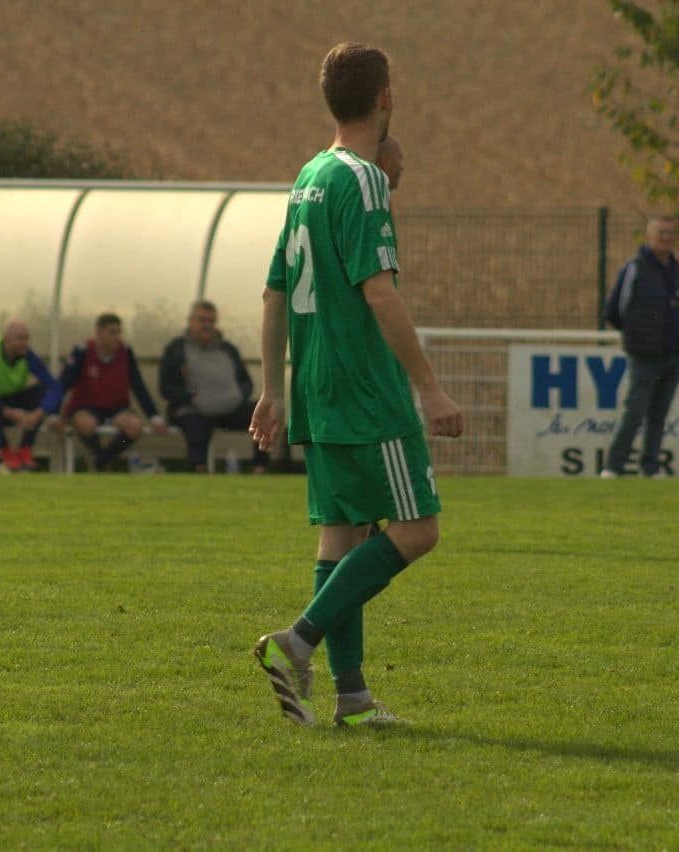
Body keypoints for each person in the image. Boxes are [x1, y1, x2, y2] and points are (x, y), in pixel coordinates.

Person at [250, 42, 463, 728]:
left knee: (340, 535)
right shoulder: (363, 178)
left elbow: (273, 290)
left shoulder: (307, 175)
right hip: (364, 389)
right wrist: (427, 387)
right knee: (417, 529)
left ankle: (352, 699)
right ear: (384, 99)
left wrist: (274, 389)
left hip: (314, 387)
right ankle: (299, 638)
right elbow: (378, 292)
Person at [601, 215, 679, 479]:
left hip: (673, 355)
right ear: (649, 236)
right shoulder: (636, 267)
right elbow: (613, 310)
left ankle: (649, 468)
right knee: (634, 412)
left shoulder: (675, 270)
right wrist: (637, 337)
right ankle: (613, 467)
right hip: (643, 355)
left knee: (659, 417)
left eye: (670, 233)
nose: (667, 238)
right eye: (661, 233)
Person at [159, 300, 269, 473]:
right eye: (202, 320)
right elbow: (166, 387)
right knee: (195, 423)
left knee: (263, 413)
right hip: (194, 409)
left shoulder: (228, 349)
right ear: (191, 321)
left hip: (230, 409)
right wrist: (191, 397)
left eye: (211, 321)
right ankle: (199, 468)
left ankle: (260, 467)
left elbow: (246, 382)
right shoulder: (177, 350)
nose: (207, 325)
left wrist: (239, 396)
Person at [60, 313, 167, 471]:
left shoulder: (125, 351)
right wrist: (54, 412)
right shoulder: (82, 351)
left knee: (135, 427)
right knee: (86, 424)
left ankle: (103, 459)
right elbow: (64, 383)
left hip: (116, 409)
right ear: (98, 332)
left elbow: (138, 386)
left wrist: (154, 416)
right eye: (112, 332)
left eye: (119, 332)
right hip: (85, 406)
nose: (117, 337)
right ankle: (100, 458)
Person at [0, 320, 62, 472]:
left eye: (27, 338)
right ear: (7, 339)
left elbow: (54, 386)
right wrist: (7, 412)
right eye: (20, 338)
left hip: (13, 401)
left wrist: (38, 413)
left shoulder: (27, 355)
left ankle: (25, 450)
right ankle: (6, 453)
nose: (25, 343)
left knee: (43, 391)